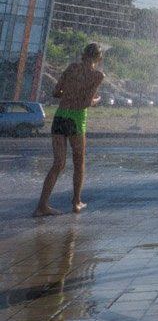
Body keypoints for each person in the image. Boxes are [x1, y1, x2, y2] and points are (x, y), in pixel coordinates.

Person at [34, 43, 105, 216]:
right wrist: (97, 100)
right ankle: (76, 202)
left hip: (59, 117)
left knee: (58, 164)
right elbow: (87, 102)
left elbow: (56, 92)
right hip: (75, 119)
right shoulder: (97, 75)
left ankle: (41, 206)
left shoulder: (72, 68)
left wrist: (69, 94)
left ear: (83, 54)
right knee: (78, 161)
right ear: (99, 58)